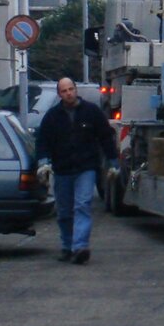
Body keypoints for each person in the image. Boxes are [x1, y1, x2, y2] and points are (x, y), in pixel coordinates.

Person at [35, 77, 118, 265]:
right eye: (64, 91)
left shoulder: (92, 112)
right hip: (63, 170)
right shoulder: (52, 117)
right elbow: (42, 142)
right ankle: (67, 246)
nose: (68, 93)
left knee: (82, 205)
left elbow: (106, 137)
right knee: (64, 212)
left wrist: (113, 162)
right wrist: (43, 163)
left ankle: (80, 247)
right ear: (59, 94)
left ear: (76, 90)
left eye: (71, 89)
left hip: (86, 168)